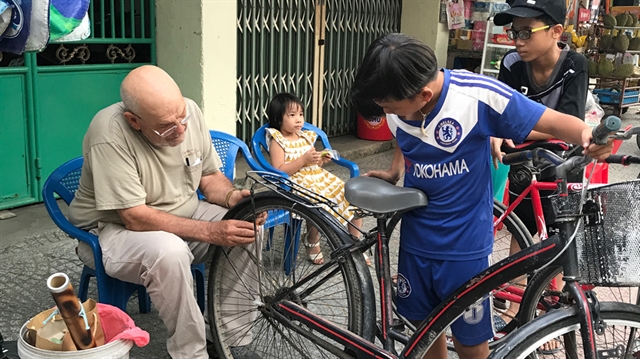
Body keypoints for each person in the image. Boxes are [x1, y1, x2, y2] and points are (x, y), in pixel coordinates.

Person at [350, 33, 612, 359]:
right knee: (424, 331)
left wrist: (589, 135)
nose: (385, 111)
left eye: (389, 106)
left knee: (471, 344)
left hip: (465, 248)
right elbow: (408, 137)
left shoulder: (476, 96)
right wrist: (394, 171)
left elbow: (551, 120)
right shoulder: (398, 102)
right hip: (415, 242)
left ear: (423, 95)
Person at [68, 65, 264, 359]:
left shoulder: (188, 112)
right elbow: (134, 216)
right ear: (134, 121)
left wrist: (232, 197)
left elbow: (208, 177)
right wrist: (210, 232)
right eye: (167, 127)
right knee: (169, 252)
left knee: (246, 228)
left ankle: (225, 337)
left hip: (184, 212)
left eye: (181, 118)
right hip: (113, 228)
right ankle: (190, 353)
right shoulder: (108, 132)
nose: (181, 131)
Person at [493, 0, 590, 338]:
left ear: (556, 31)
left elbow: (572, 123)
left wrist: (516, 129)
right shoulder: (511, 63)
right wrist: (501, 130)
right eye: (513, 32)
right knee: (522, 228)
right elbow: (501, 112)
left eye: (525, 32)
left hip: (564, 161)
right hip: (525, 159)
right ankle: (514, 301)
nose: (517, 40)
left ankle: (550, 311)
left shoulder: (574, 64)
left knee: (562, 233)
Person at [265, 92, 365, 265]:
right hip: (293, 181)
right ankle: (312, 240)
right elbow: (279, 170)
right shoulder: (277, 140)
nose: (298, 120)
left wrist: (319, 160)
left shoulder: (305, 136)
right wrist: (303, 160)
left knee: (350, 194)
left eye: (301, 114)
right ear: (278, 118)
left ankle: (354, 242)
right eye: (292, 115)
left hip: (316, 177)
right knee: (319, 200)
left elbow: (313, 164)